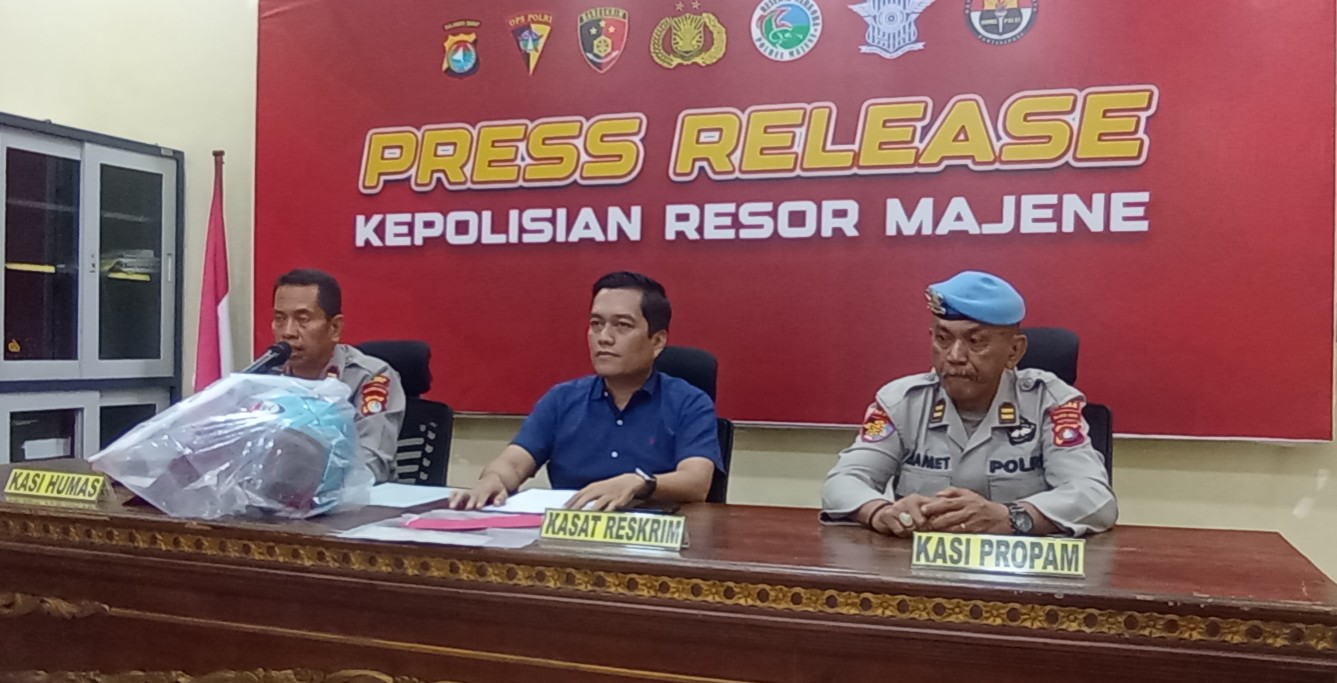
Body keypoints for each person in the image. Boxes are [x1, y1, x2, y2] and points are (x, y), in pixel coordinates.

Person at [821, 271, 1116, 537]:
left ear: (1014, 351)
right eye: (943, 339)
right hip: (919, 567)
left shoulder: (1048, 402)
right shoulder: (901, 402)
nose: (955, 356)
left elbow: (1095, 499)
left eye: (975, 342)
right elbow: (842, 481)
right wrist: (880, 512)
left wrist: (1009, 517)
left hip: (1023, 570)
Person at [451, 271, 722, 512]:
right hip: (572, 533)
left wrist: (640, 483)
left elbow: (696, 482)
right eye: (596, 324)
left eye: (622, 325)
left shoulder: (689, 402)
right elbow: (513, 463)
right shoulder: (561, 399)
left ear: (657, 341)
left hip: (653, 534)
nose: (604, 337)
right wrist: (492, 480)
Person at [271, 268, 405, 483]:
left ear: (334, 328)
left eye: (302, 319)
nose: (288, 331)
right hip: (272, 497)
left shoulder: (370, 377)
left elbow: (371, 464)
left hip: (354, 499)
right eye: (279, 319)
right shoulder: (264, 377)